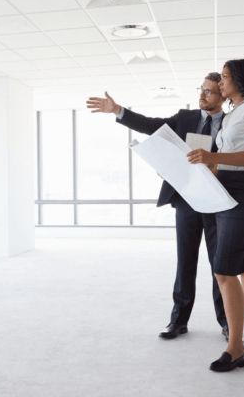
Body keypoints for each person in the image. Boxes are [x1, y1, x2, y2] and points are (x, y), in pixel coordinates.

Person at [86, 73, 231, 341]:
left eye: (210, 92)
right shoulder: (185, 117)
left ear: (223, 96)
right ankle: (178, 321)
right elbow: (150, 126)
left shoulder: (231, 123)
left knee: (219, 265)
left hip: (216, 201)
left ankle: (227, 323)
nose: (202, 95)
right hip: (185, 200)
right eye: (201, 89)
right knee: (185, 262)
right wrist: (117, 111)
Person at [186, 59, 244, 372]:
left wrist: (213, 156)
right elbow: (227, 160)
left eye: (224, 77)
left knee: (223, 271)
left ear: (241, 78)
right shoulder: (233, 112)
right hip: (226, 192)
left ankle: (235, 348)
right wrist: (205, 166)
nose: (220, 83)